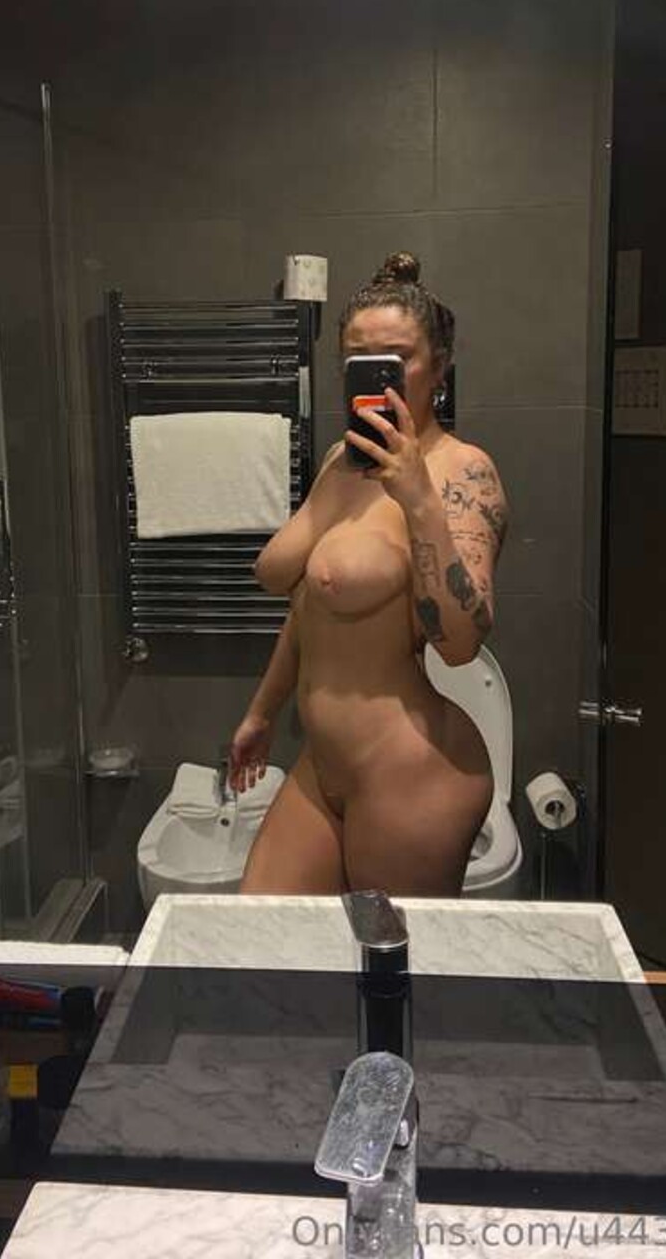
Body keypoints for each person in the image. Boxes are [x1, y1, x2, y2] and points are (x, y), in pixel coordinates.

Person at [229, 251, 509, 897]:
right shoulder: (340, 462)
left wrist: (418, 500)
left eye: (398, 358)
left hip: (411, 771)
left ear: (440, 365)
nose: (379, 376)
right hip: (322, 764)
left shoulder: (463, 471)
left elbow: (461, 645)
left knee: (389, 955)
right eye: (359, 358)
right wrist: (263, 711)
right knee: (262, 934)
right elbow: (302, 598)